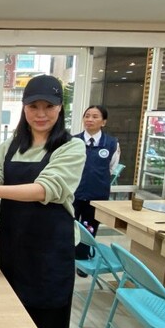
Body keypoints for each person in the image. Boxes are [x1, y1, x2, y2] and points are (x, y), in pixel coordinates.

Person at [0, 75, 86, 328]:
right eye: (33, 106)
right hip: (15, 248)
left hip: (51, 253)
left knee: (47, 327)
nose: (40, 114)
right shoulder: (12, 145)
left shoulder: (71, 147)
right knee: (13, 321)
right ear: (24, 108)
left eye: (48, 107)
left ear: (60, 108)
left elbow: (46, 189)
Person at [74, 105, 120, 276]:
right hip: (74, 193)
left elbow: (111, 168)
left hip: (96, 196)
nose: (89, 120)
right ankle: (65, 257)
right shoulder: (73, 141)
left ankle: (83, 260)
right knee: (69, 225)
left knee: (89, 227)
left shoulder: (111, 144)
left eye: (95, 116)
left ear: (104, 121)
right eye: (87, 116)